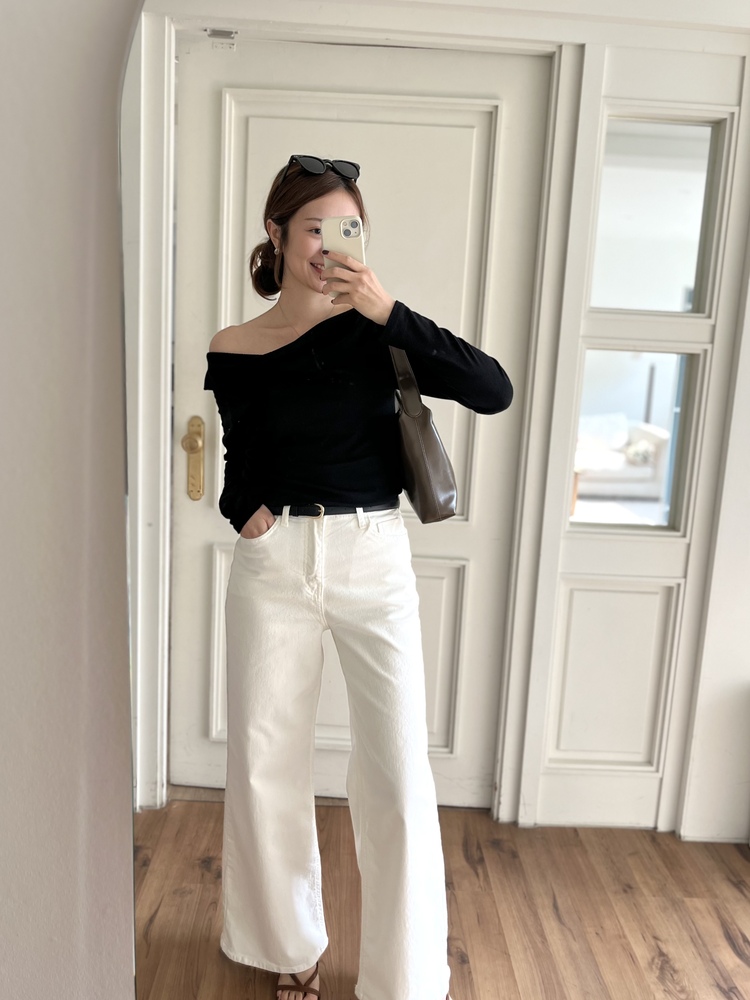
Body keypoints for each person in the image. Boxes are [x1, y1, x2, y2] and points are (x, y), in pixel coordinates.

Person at [204, 154, 513, 1000]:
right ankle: (287, 946)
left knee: (398, 772)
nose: (330, 247)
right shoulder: (234, 345)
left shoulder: (380, 331)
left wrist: (390, 312)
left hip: (373, 557)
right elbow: (240, 457)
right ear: (277, 234)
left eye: (347, 229)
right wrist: (244, 510)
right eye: (314, 228)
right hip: (274, 565)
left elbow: (492, 390)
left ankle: (403, 978)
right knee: (265, 761)